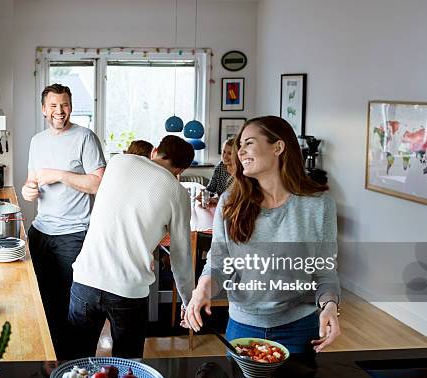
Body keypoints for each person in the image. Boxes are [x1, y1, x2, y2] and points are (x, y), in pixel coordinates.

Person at [183, 116, 341, 354]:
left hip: (300, 327)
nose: (240, 152)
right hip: (243, 327)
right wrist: (202, 289)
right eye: (240, 146)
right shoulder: (230, 202)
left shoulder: (319, 205)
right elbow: (218, 262)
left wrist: (329, 305)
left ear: (278, 147)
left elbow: (324, 271)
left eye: (249, 143)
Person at [69, 135, 196, 358]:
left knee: (76, 360)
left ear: (155, 150)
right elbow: (181, 255)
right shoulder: (178, 193)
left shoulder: (118, 162)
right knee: (127, 367)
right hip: (128, 290)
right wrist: (188, 299)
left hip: (85, 279)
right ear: (181, 170)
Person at [22, 83, 106, 360]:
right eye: (54, 106)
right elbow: (32, 181)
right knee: (42, 300)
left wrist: (60, 174)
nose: (60, 111)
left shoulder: (85, 137)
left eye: (65, 105)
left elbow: (98, 184)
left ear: (71, 106)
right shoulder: (37, 141)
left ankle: (74, 364)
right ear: (44, 109)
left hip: (74, 234)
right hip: (41, 230)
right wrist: (27, 190)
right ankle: (50, 358)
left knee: (72, 305)